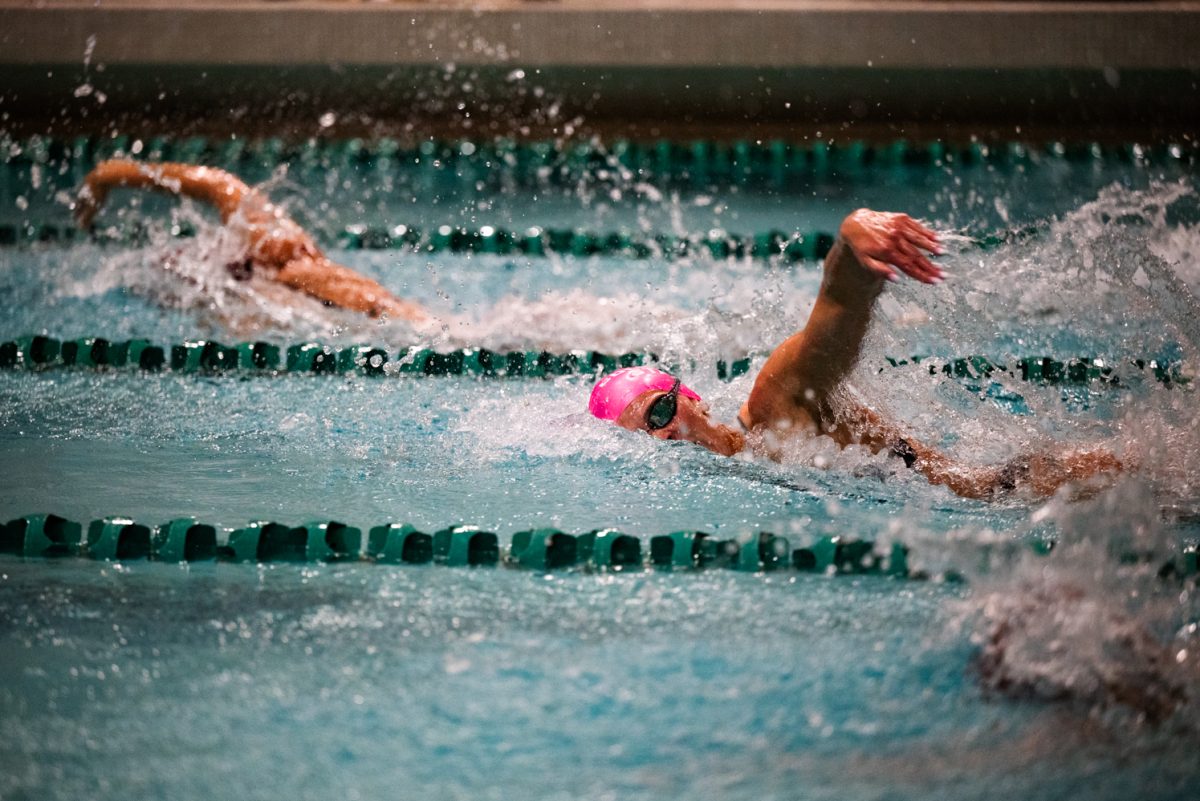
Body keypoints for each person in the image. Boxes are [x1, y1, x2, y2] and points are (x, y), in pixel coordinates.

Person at [588, 209, 1123, 500]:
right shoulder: (742, 473)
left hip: (1020, 485)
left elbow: (833, 320)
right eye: (643, 435)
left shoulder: (774, 403)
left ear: (693, 399)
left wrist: (850, 245)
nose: (662, 433)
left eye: (660, 410)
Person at [75, 159, 430, 323]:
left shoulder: (262, 244)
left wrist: (104, 176)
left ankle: (445, 330)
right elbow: (215, 182)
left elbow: (216, 183)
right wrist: (106, 176)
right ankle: (443, 328)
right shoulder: (254, 273)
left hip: (290, 276)